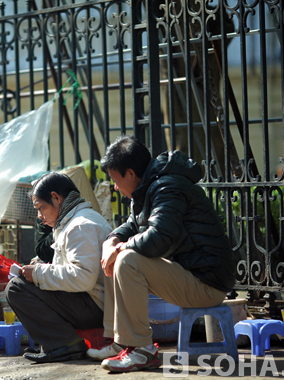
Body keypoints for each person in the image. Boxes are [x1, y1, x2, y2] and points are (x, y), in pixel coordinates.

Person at [88, 135, 235, 372]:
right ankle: (120, 342)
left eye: (115, 180)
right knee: (113, 258)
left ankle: (143, 350)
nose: (115, 186)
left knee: (126, 260)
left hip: (207, 283)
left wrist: (120, 248)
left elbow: (159, 237)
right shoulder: (147, 188)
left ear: (131, 174)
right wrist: (111, 241)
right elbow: (132, 227)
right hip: (188, 274)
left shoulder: (168, 187)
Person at [5, 172, 112, 363]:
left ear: (56, 197)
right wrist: (41, 267)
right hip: (91, 301)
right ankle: (64, 343)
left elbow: (82, 277)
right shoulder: (71, 221)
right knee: (21, 283)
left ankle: (64, 344)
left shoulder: (80, 225)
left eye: (40, 208)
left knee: (16, 288)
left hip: (95, 306)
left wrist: (38, 273)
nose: (39, 216)